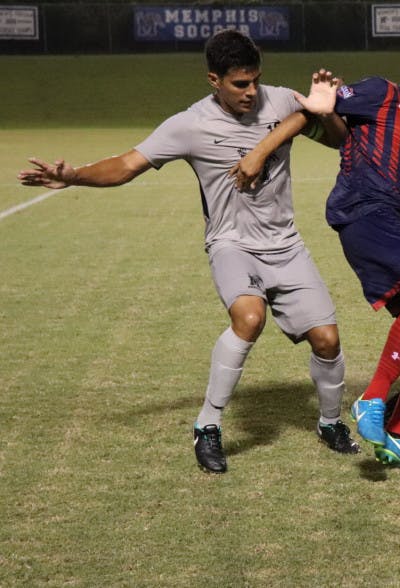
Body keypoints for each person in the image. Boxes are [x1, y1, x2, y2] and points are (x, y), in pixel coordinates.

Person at [16, 30, 361, 475]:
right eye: (240, 84)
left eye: (255, 80)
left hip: (286, 244)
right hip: (231, 244)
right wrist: (76, 176)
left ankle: (330, 423)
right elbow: (126, 165)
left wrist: (326, 112)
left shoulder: (282, 102)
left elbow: (337, 139)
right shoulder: (189, 124)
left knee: (328, 340)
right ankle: (209, 425)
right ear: (213, 79)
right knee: (249, 318)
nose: (251, 92)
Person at [242, 42, 400, 471]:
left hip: (392, 224)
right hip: (366, 213)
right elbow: (311, 113)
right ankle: (372, 400)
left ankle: (398, 434)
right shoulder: (381, 92)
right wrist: (260, 152)